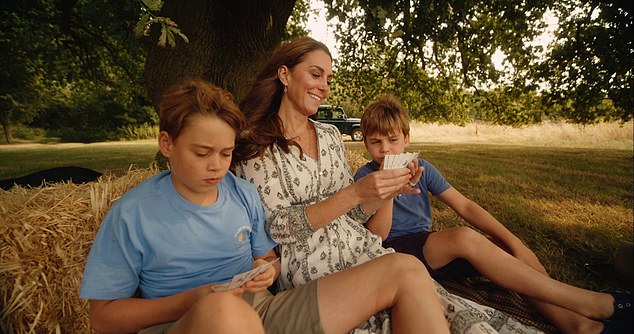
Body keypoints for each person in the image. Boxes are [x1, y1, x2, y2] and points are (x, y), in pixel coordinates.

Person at [80, 78, 450, 334]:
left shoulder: (241, 193)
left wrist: (266, 271)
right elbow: (104, 319)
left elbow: (268, 259)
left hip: (262, 314)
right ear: (166, 143)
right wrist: (195, 298)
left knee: (404, 268)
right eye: (201, 152)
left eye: (226, 153)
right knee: (224, 311)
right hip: (187, 321)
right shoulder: (133, 214)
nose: (216, 166)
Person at [234, 36, 549, 333]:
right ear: (284, 75)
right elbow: (276, 230)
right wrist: (356, 192)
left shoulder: (329, 135)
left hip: (367, 250)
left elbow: (353, 216)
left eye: (329, 79)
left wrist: (382, 193)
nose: (324, 87)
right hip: (315, 270)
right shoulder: (255, 144)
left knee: (456, 318)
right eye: (316, 75)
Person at [353, 94, 633, 334]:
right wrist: (387, 191)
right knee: (463, 237)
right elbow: (377, 236)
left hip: (429, 248)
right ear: (365, 142)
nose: (386, 149)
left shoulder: (422, 167)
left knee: (502, 254)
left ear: (406, 138)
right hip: (396, 256)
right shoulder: (365, 176)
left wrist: (515, 244)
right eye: (376, 142)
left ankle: (579, 325)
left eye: (393, 140)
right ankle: (593, 302)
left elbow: (465, 207)